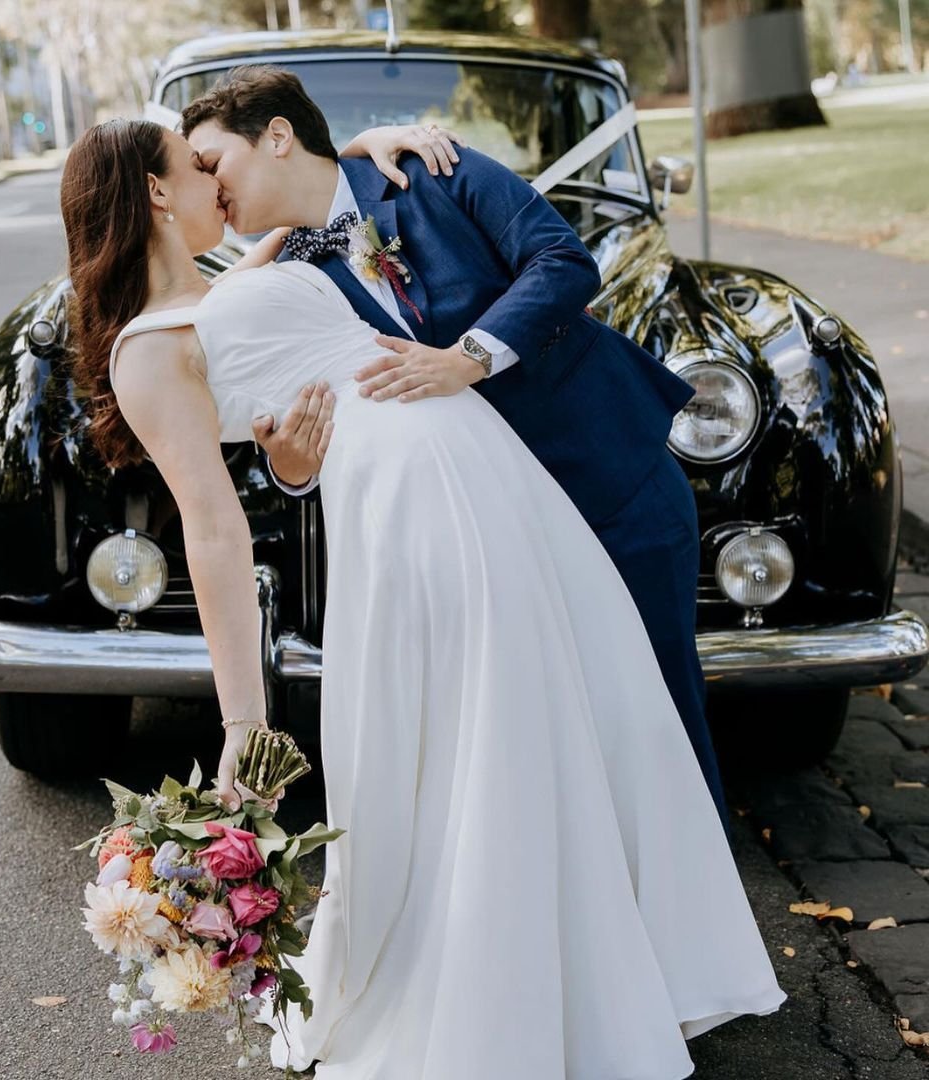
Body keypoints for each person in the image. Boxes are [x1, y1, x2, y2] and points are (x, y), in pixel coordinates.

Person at [60, 116, 786, 1079]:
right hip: (408, 515)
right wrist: (242, 719)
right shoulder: (147, 350)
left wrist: (369, 139)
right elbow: (213, 526)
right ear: (156, 194)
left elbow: (319, 193)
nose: (212, 181)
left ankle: (613, 971)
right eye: (193, 168)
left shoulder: (245, 270)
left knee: (574, 717)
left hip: (492, 474)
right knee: (467, 746)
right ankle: (497, 1007)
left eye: (216, 158)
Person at [181, 66, 732, 841]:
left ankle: (698, 921)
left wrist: (466, 357)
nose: (208, 186)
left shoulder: (434, 170)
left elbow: (564, 262)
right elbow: (306, 411)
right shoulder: (287, 278)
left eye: (211, 163)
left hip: (607, 486)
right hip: (488, 539)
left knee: (656, 719)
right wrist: (291, 465)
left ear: (276, 137)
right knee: (551, 748)